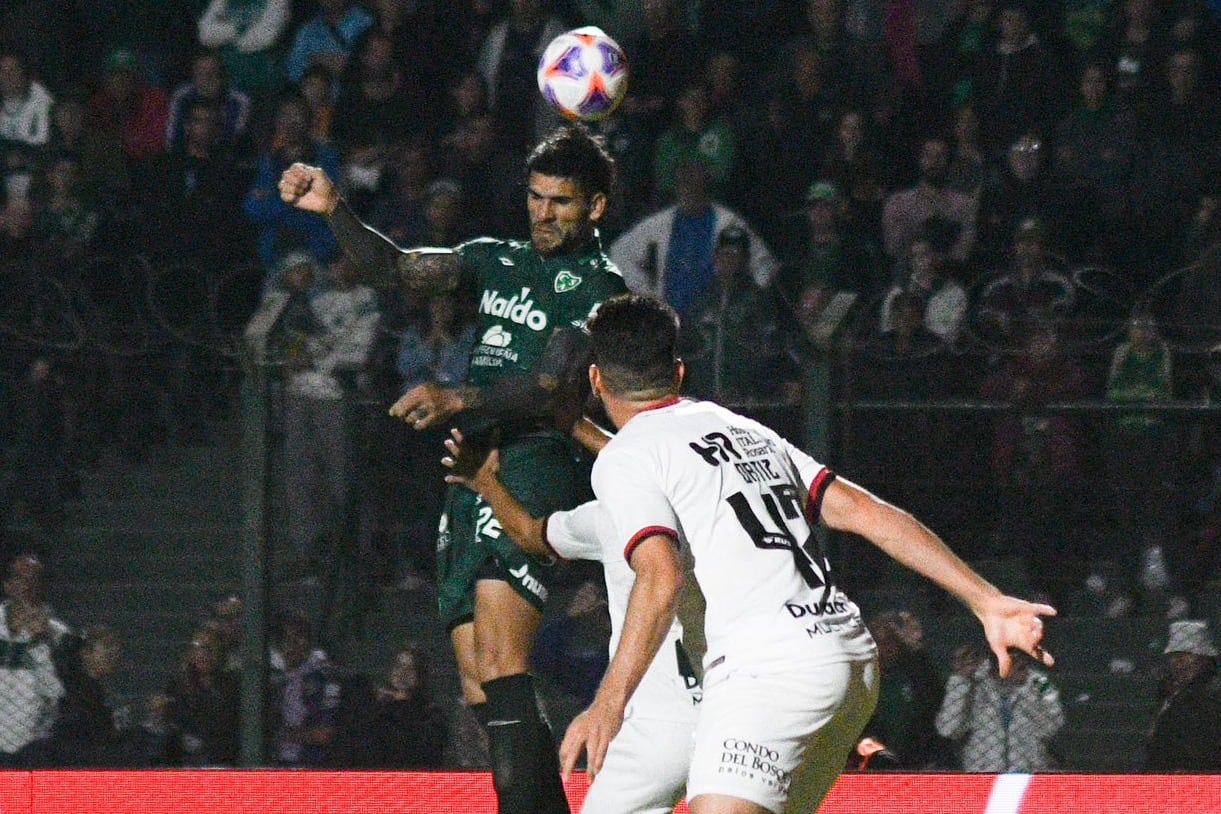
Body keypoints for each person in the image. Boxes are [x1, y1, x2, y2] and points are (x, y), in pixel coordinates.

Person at [559, 293, 1055, 813]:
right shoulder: (743, 429)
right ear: (679, 371)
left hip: (769, 669)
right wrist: (986, 599)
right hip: (849, 656)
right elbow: (865, 511)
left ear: (596, 380)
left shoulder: (626, 457)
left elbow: (661, 579)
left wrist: (608, 702)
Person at [278, 124, 628, 814]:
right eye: (535, 197)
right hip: (471, 468)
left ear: (594, 207)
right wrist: (334, 209)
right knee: (479, 685)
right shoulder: (496, 259)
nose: (543, 213)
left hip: (534, 465)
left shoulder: (600, 285)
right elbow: (396, 270)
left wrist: (458, 397)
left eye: (561, 201)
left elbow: (554, 386)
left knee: (502, 663)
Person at [441, 431, 703, 814]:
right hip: (743, 704)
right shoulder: (719, 507)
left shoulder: (610, 517)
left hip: (662, 723)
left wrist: (487, 483)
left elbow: (530, 534)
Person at [934, 643, 1065, 772]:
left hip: (1026, 771)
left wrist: (1023, 689)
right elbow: (947, 729)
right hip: (983, 772)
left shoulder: (1041, 682)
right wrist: (961, 681)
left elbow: (1053, 725)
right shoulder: (973, 681)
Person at [1144, 619, 1221, 771]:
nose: (1179, 661)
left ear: (1204, 659)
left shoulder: (1213, 695)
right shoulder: (1168, 694)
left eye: (1187, 654)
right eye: (1175, 655)